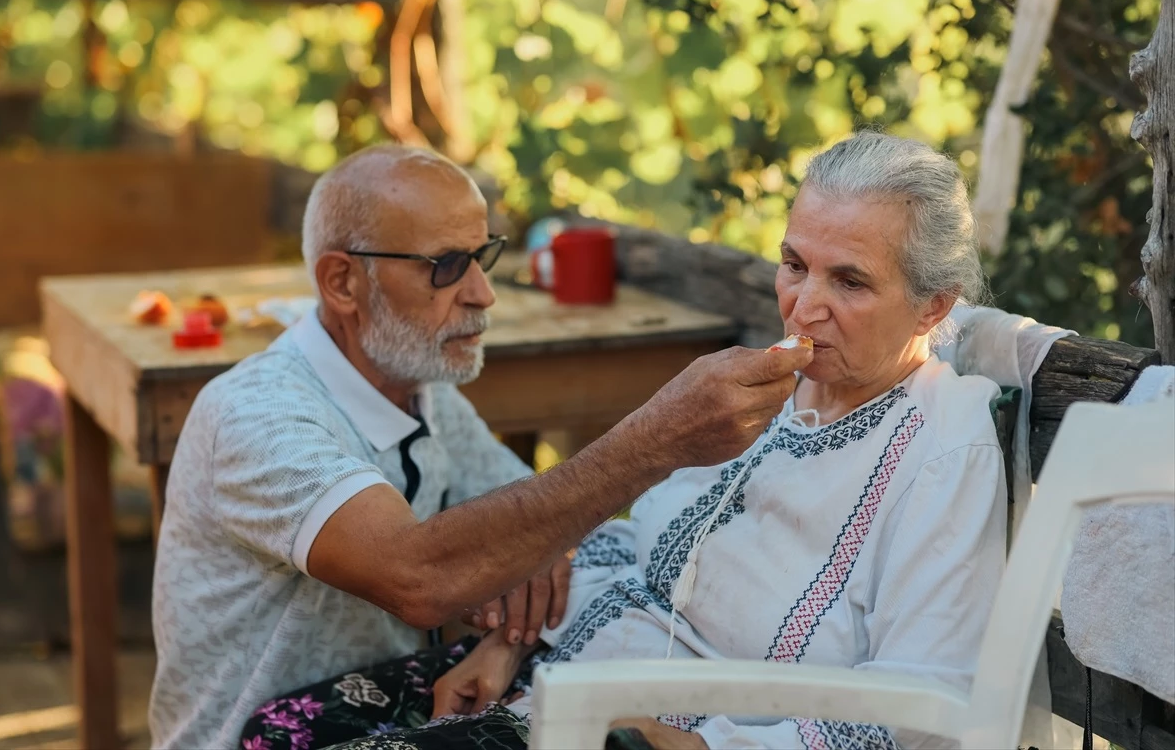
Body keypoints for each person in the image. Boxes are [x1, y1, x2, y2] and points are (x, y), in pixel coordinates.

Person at [239, 132, 1008, 750]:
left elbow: (924, 707)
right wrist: (509, 641)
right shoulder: (761, 394)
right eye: (794, 265)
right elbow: (640, 550)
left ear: (932, 306)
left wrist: (702, 749)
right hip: (566, 666)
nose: (804, 308)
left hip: (662, 728)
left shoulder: (942, 447)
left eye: (850, 282)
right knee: (278, 732)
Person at [148, 145, 811, 750]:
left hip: (387, 706)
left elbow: (543, 530)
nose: (483, 294)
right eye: (446, 266)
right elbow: (419, 577)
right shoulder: (257, 417)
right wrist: (650, 444)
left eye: (482, 255)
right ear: (342, 283)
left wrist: (503, 623)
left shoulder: (418, 389)